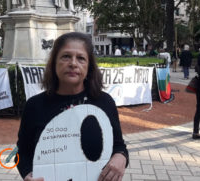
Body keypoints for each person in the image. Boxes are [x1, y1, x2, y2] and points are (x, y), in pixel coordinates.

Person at [15, 32, 129, 180]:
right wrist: (26, 174)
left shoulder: (104, 102)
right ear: (54, 63)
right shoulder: (35, 106)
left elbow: (119, 146)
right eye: (66, 56)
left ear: (89, 67)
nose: (73, 63)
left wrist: (121, 157)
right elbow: (21, 152)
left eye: (81, 58)